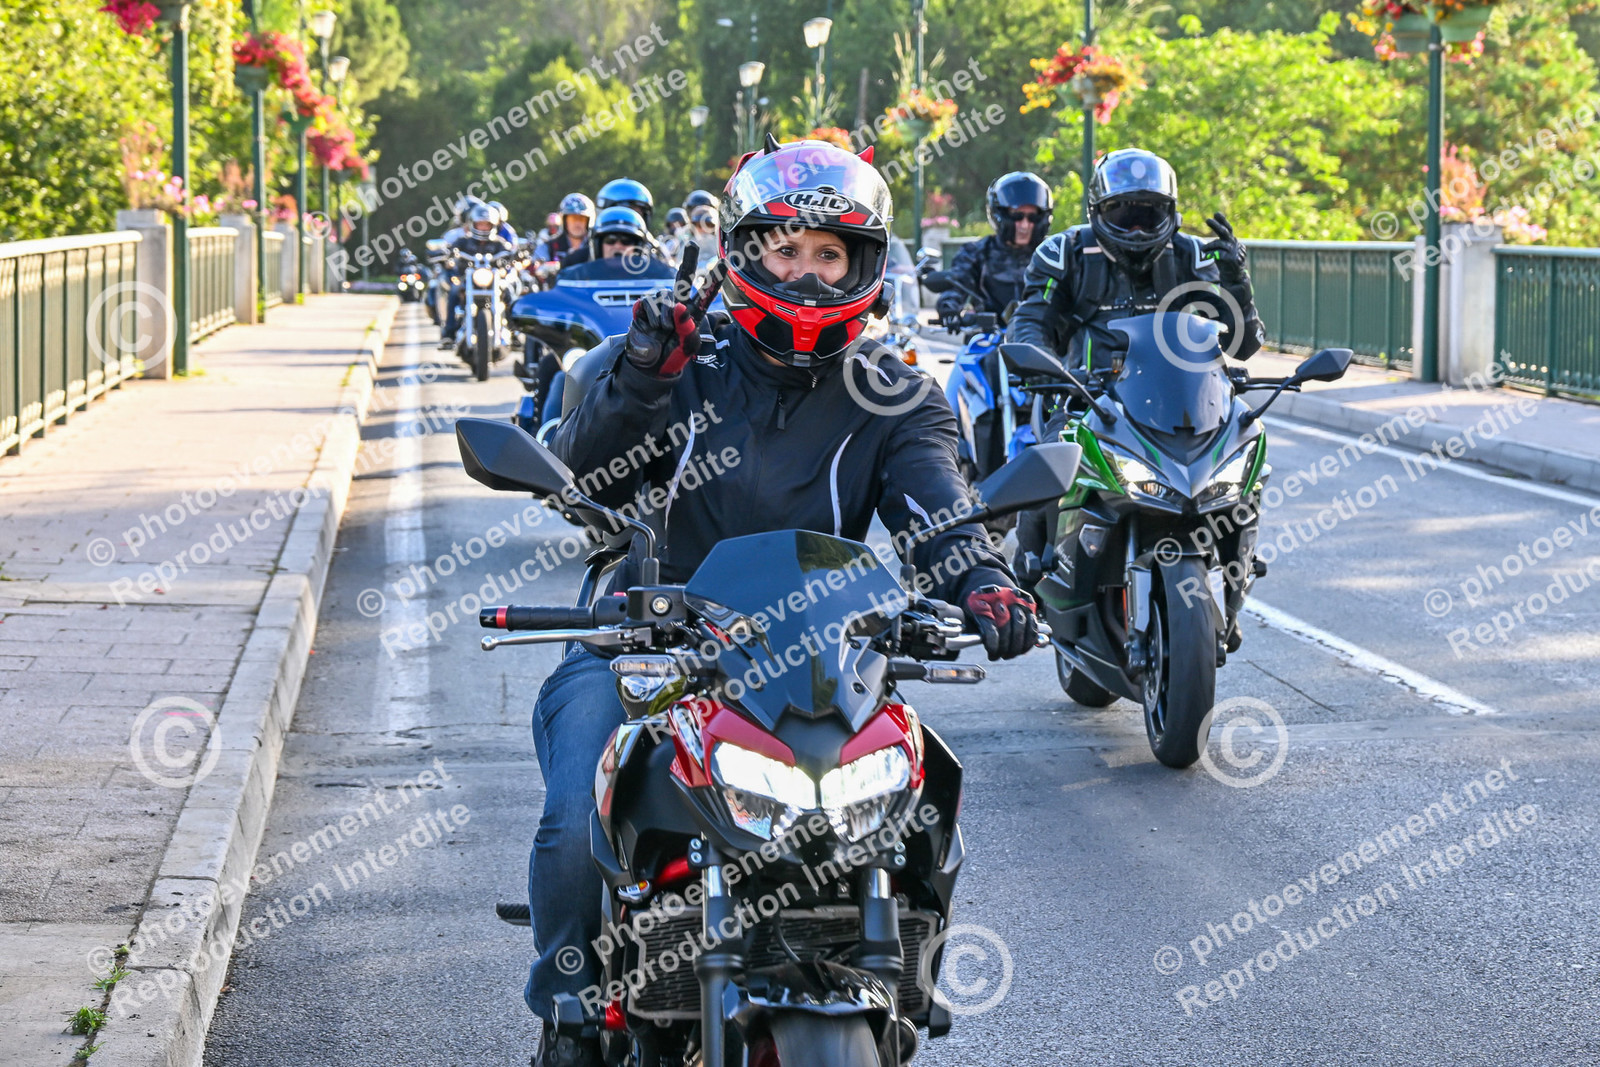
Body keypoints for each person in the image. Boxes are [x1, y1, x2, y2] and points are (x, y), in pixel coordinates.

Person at [523, 138, 1039, 1067]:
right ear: (743, 252)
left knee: (925, 787)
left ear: (863, 264)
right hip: (647, 644)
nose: (806, 272)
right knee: (573, 816)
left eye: (829, 254)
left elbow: (939, 506)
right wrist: (640, 376)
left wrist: (984, 580)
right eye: (786, 249)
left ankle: (899, 969)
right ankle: (568, 1015)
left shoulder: (894, 392)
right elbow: (584, 477)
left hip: (824, 660)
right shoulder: (680, 357)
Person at [1005, 147, 1266, 647]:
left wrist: (1238, 282)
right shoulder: (1065, 253)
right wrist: (1042, 368)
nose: (1139, 229)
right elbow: (1032, 319)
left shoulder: (1193, 255)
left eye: (1150, 215)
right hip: (1087, 395)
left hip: (1180, 401)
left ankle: (1236, 579)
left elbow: (1242, 344)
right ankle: (1030, 569)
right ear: (1098, 212)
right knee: (1051, 452)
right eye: (1125, 215)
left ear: (1171, 213)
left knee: (1247, 444)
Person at [934, 170, 1053, 331]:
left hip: (1044, 338)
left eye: (1032, 217)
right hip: (988, 337)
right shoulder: (977, 252)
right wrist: (949, 307)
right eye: (1017, 216)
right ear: (1000, 214)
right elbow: (958, 282)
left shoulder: (1053, 254)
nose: (1025, 225)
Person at [441, 201, 517, 348]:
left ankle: (515, 331)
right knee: (454, 292)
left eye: (486, 224)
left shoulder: (499, 243)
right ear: (473, 224)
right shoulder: (463, 242)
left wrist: (515, 256)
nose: (483, 227)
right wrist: (446, 254)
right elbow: (450, 251)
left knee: (509, 292)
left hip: (493, 281)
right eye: (480, 224)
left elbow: (509, 256)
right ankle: (449, 333)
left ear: (493, 225)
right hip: (468, 280)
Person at [555, 205, 667, 271]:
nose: (618, 246)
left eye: (626, 241)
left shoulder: (654, 273)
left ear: (638, 247)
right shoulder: (578, 274)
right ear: (598, 246)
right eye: (610, 240)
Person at [533, 193, 595, 262]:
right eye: (573, 219)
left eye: (581, 219)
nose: (577, 223)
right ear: (564, 220)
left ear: (589, 221)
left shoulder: (597, 246)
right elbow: (537, 265)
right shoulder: (548, 247)